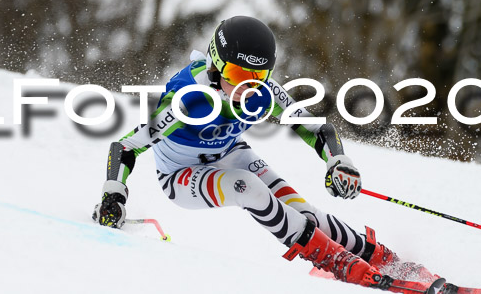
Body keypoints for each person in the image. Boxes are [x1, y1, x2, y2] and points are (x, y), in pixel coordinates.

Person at [93, 16, 435, 292]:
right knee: (247, 186)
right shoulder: (187, 98)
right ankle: (335, 262)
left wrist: (337, 159)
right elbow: (125, 146)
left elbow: (316, 127)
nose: (247, 88)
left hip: (230, 153)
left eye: (257, 77)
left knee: (303, 211)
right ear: (215, 67)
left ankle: (380, 258)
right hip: (181, 175)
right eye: (239, 75)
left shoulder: (263, 92)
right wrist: (114, 194)